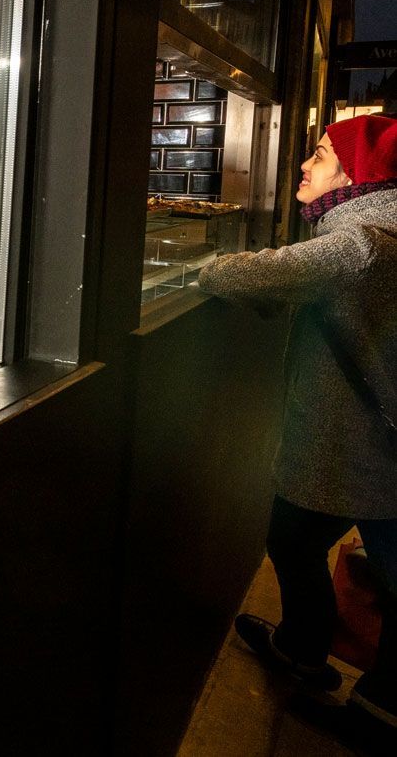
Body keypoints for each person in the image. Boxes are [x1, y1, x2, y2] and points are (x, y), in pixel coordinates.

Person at [198, 114, 397, 749]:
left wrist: (207, 269)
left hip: (361, 448)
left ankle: (375, 713)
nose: (306, 166)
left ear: (358, 174)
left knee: (304, 543)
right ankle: (307, 651)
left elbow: (243, 273)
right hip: (365, 446)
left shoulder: (365, 240)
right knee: (301, 542)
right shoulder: (375, 232)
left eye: (320, 154)